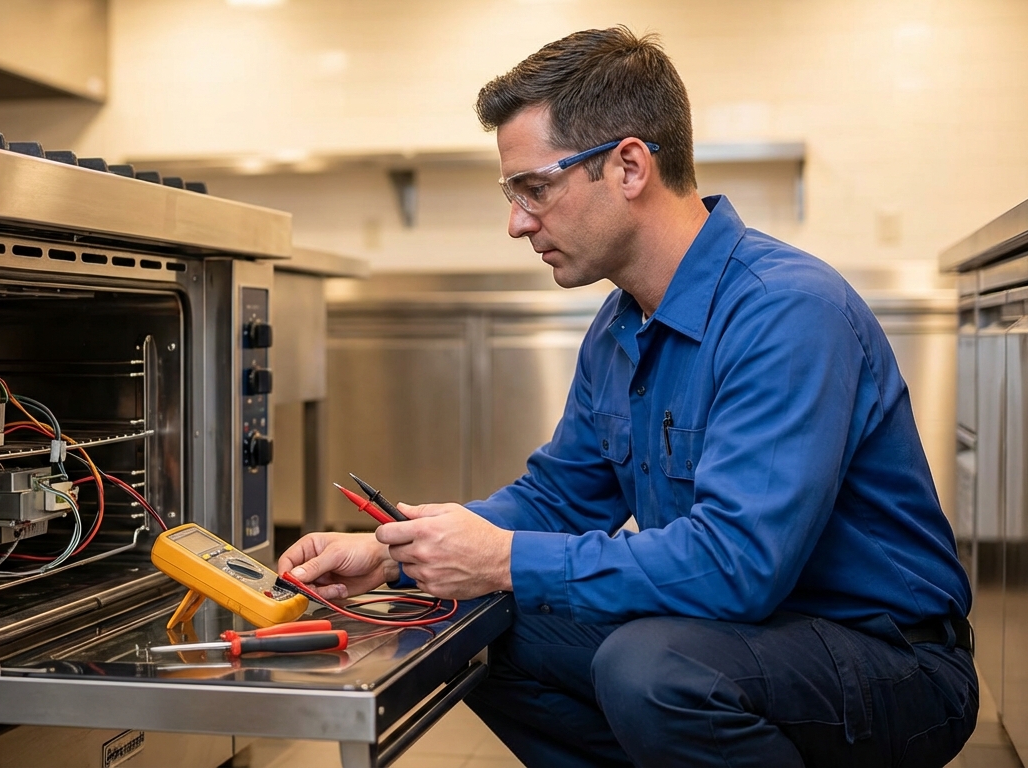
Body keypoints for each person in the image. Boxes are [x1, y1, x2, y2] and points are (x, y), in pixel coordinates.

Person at [278, 26, 977, 767]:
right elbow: (557, 499)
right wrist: (395, 553)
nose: (516, 222)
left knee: (653, 668)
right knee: (470, 626)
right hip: (744, 638)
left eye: (534, 188)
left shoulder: (785, 311)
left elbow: (738, 567)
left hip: (889, 660)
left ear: (630, 166)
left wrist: (508, 559)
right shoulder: (619, 327)